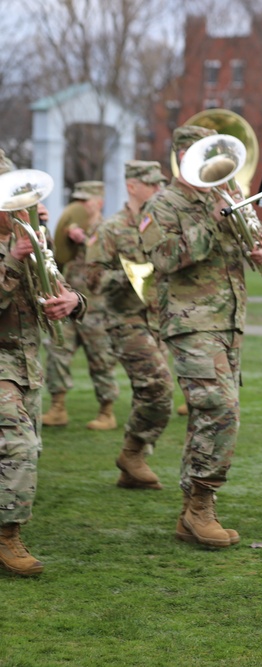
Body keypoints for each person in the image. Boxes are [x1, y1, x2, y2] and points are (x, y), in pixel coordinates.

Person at [139, 125, 262, 548]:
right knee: (221, 411)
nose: (213, 165)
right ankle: (202, 506)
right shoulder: (162, 204)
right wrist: (211, 221)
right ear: (183, 157)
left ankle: (192, 510)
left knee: (211, 416)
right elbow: (165, 258)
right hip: (191, 323)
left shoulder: (229, 198)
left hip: (229, 323)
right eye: (202, 156)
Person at [0, 151, 87, 575]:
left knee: (21, 450)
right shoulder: (17, 245)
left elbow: (60, 285)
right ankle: (8, 538)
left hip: (27, 364)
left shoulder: (30, 236)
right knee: (19, 445)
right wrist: (14, 260)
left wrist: (73, 301)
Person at [85, 161, 173, 491]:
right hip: (126, 321)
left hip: (158, 321)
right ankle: (134, 453)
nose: (159, 189)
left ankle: (130, 466)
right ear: (132, 186)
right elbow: (92, 279)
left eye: (160, 183)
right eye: (152, 184)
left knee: (147, 393)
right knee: (159, 387)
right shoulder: (111, 228)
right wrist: (132, 276)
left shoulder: (162, 224)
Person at [41, 180, 120, 430]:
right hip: (70, 304)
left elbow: (113, 266)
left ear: (99, 202)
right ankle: (57, 408)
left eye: (86, 201)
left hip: (96, 308)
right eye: (78, 200)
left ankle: (107, 412)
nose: (81, 205)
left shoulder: (109, 228)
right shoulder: (72, 226)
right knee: (57, 351)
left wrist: (85, 240)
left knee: (100, 359)